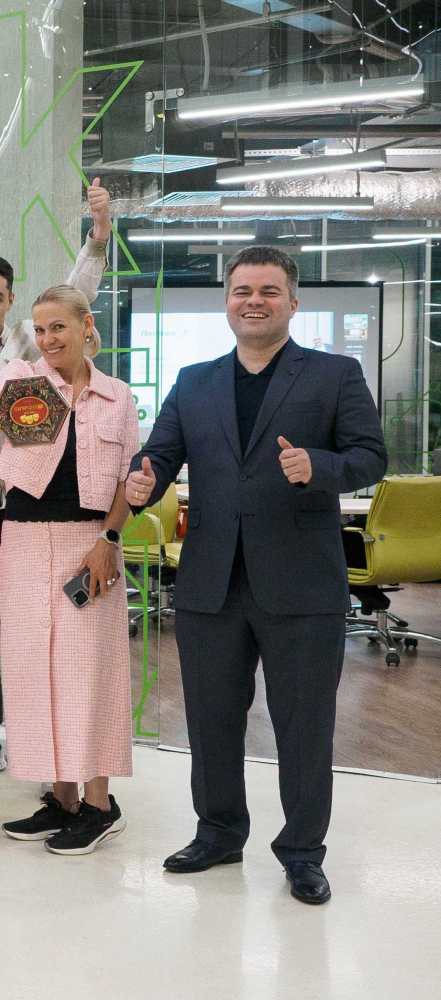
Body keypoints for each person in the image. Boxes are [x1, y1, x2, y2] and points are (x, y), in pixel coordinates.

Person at [126, 246, 385, 906]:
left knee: (304, 725)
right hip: (211, 580)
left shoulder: (334, 374)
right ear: (227, 302)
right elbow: (159, 454)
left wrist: (320, 467)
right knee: (211, 720)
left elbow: (370, 456)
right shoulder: (195, 380)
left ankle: (302, 853)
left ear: (292, 303)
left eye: (269, 291)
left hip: (302, 582)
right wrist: (142, 476)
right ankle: (217, 833)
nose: (254, 301)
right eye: (242, 291)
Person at [0, 177, 113, 775]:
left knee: (10, 629)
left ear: (10, 302)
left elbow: (74, 295)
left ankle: (9, 742)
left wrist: (97, 238)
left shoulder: (27, 346)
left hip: (12, 509)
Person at [0, 284, 138, 856]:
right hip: (21, 541)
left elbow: (127, 480)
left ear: (86, 326)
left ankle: (100, 804)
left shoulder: (118, 397)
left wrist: (109, 540)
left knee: (88, 671)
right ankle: (61, 799)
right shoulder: (23, 378)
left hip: (87, 542)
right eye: (40, 329)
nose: (47, 339)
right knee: (32, 669)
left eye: (58, 327)